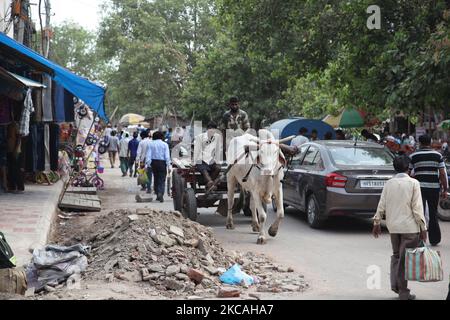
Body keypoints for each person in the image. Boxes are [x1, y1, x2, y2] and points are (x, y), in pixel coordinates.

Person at [372, 155, 427, 300]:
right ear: (408, 168)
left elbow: (381, 204)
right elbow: (417, 208)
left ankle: (397, 286)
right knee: (404, 260)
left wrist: (377, 222)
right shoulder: (414, 183)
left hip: (393, 227)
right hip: (410, 228)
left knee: (397, 256)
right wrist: (423, 228)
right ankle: (403, 291)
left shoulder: (389, 183)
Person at [409, 134, 448, 246]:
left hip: (419, 188)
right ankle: (434, 239)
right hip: (434, 188)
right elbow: (442, 173)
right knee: (433, 212)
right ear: (430, 142)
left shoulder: (413, 156)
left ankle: (420, 239)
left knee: (419, 213)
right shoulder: (437, 155)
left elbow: (409, 173)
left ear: (419, 143)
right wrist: (444, 189)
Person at [194, 122, 223, 192]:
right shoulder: (200, 137)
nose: (212, 131)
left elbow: (218, 150)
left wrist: (218, 161)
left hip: (211, 160)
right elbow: (197, 150)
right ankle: (210, 183)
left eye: (213, 129)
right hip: (201, 159)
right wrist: (194, 162)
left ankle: (209, 184)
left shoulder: (217, 137)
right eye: (210, 129)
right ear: (207, 129)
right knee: (204, 170)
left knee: (218, 168)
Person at [146, 131, 171, 202]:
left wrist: (148, 164)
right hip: (162, 163)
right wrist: (169, 165)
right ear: (162, 137)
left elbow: (148, 155)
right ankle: (160, 193)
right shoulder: (165, 144)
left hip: (153, 162)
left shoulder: (150, 144)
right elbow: (167, 156)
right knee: (162, 179)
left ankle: (157, 193)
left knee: (156, 178)